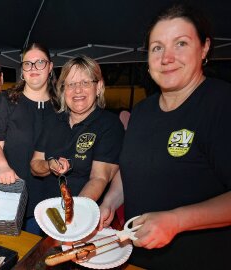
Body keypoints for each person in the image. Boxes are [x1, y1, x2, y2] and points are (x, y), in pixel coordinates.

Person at [99, 4, 231, 269]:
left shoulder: (222, 103)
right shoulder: (142, 110)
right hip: (137, 259)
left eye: (180, 43)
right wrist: (110, 203)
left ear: (204, 48)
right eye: (157, 47)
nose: (167, 57)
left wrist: (176, 220)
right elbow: (131, 171)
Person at [0, 43, 59, 234]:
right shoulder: (5, 101)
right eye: (28, 64)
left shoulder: (62, 105)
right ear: (22, 70)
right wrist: (2, 167)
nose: (33, 68)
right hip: (16, 199)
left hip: (54, 201)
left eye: (39, 62)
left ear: (50, 67)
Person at [30, 56, 124, 203]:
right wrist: (50, 165)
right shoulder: (52, 120)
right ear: (63, 90)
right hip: (47, 212)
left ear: (98, 87)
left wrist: (74, 213)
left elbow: (99, 178)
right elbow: (35, 165)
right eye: (71, 84)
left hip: (85, 215)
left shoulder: (109, 125)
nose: (78, 90)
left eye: (85, 82)